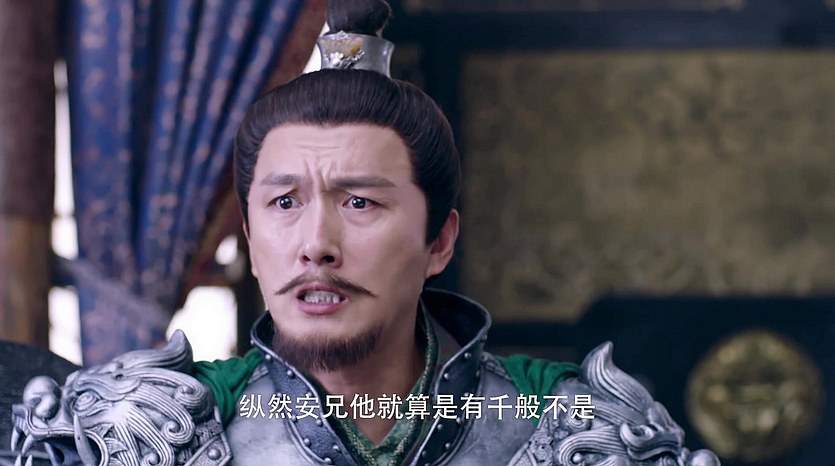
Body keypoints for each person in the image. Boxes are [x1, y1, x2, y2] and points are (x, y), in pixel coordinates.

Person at [10, 1, 720, 465]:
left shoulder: (574, 427)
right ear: (250, 240)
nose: (315, 242)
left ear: (439, 241)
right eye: (283, 202)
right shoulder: (147, 430)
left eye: (359, 202)